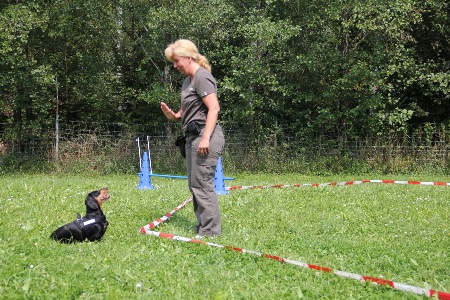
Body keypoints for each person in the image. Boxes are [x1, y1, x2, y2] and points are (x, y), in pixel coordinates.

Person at [160, 39, 225, 238]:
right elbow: (188, 110)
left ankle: (211, 231)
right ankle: (203, 226)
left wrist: (205, 138)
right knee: (194, 183)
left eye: (177, 60)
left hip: (206, 136)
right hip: (191, 137)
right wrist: (175, 116)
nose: (175, 65)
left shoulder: (202, 77)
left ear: (189, 58)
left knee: (202, 183)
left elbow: (214, 108)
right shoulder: (188, 80)